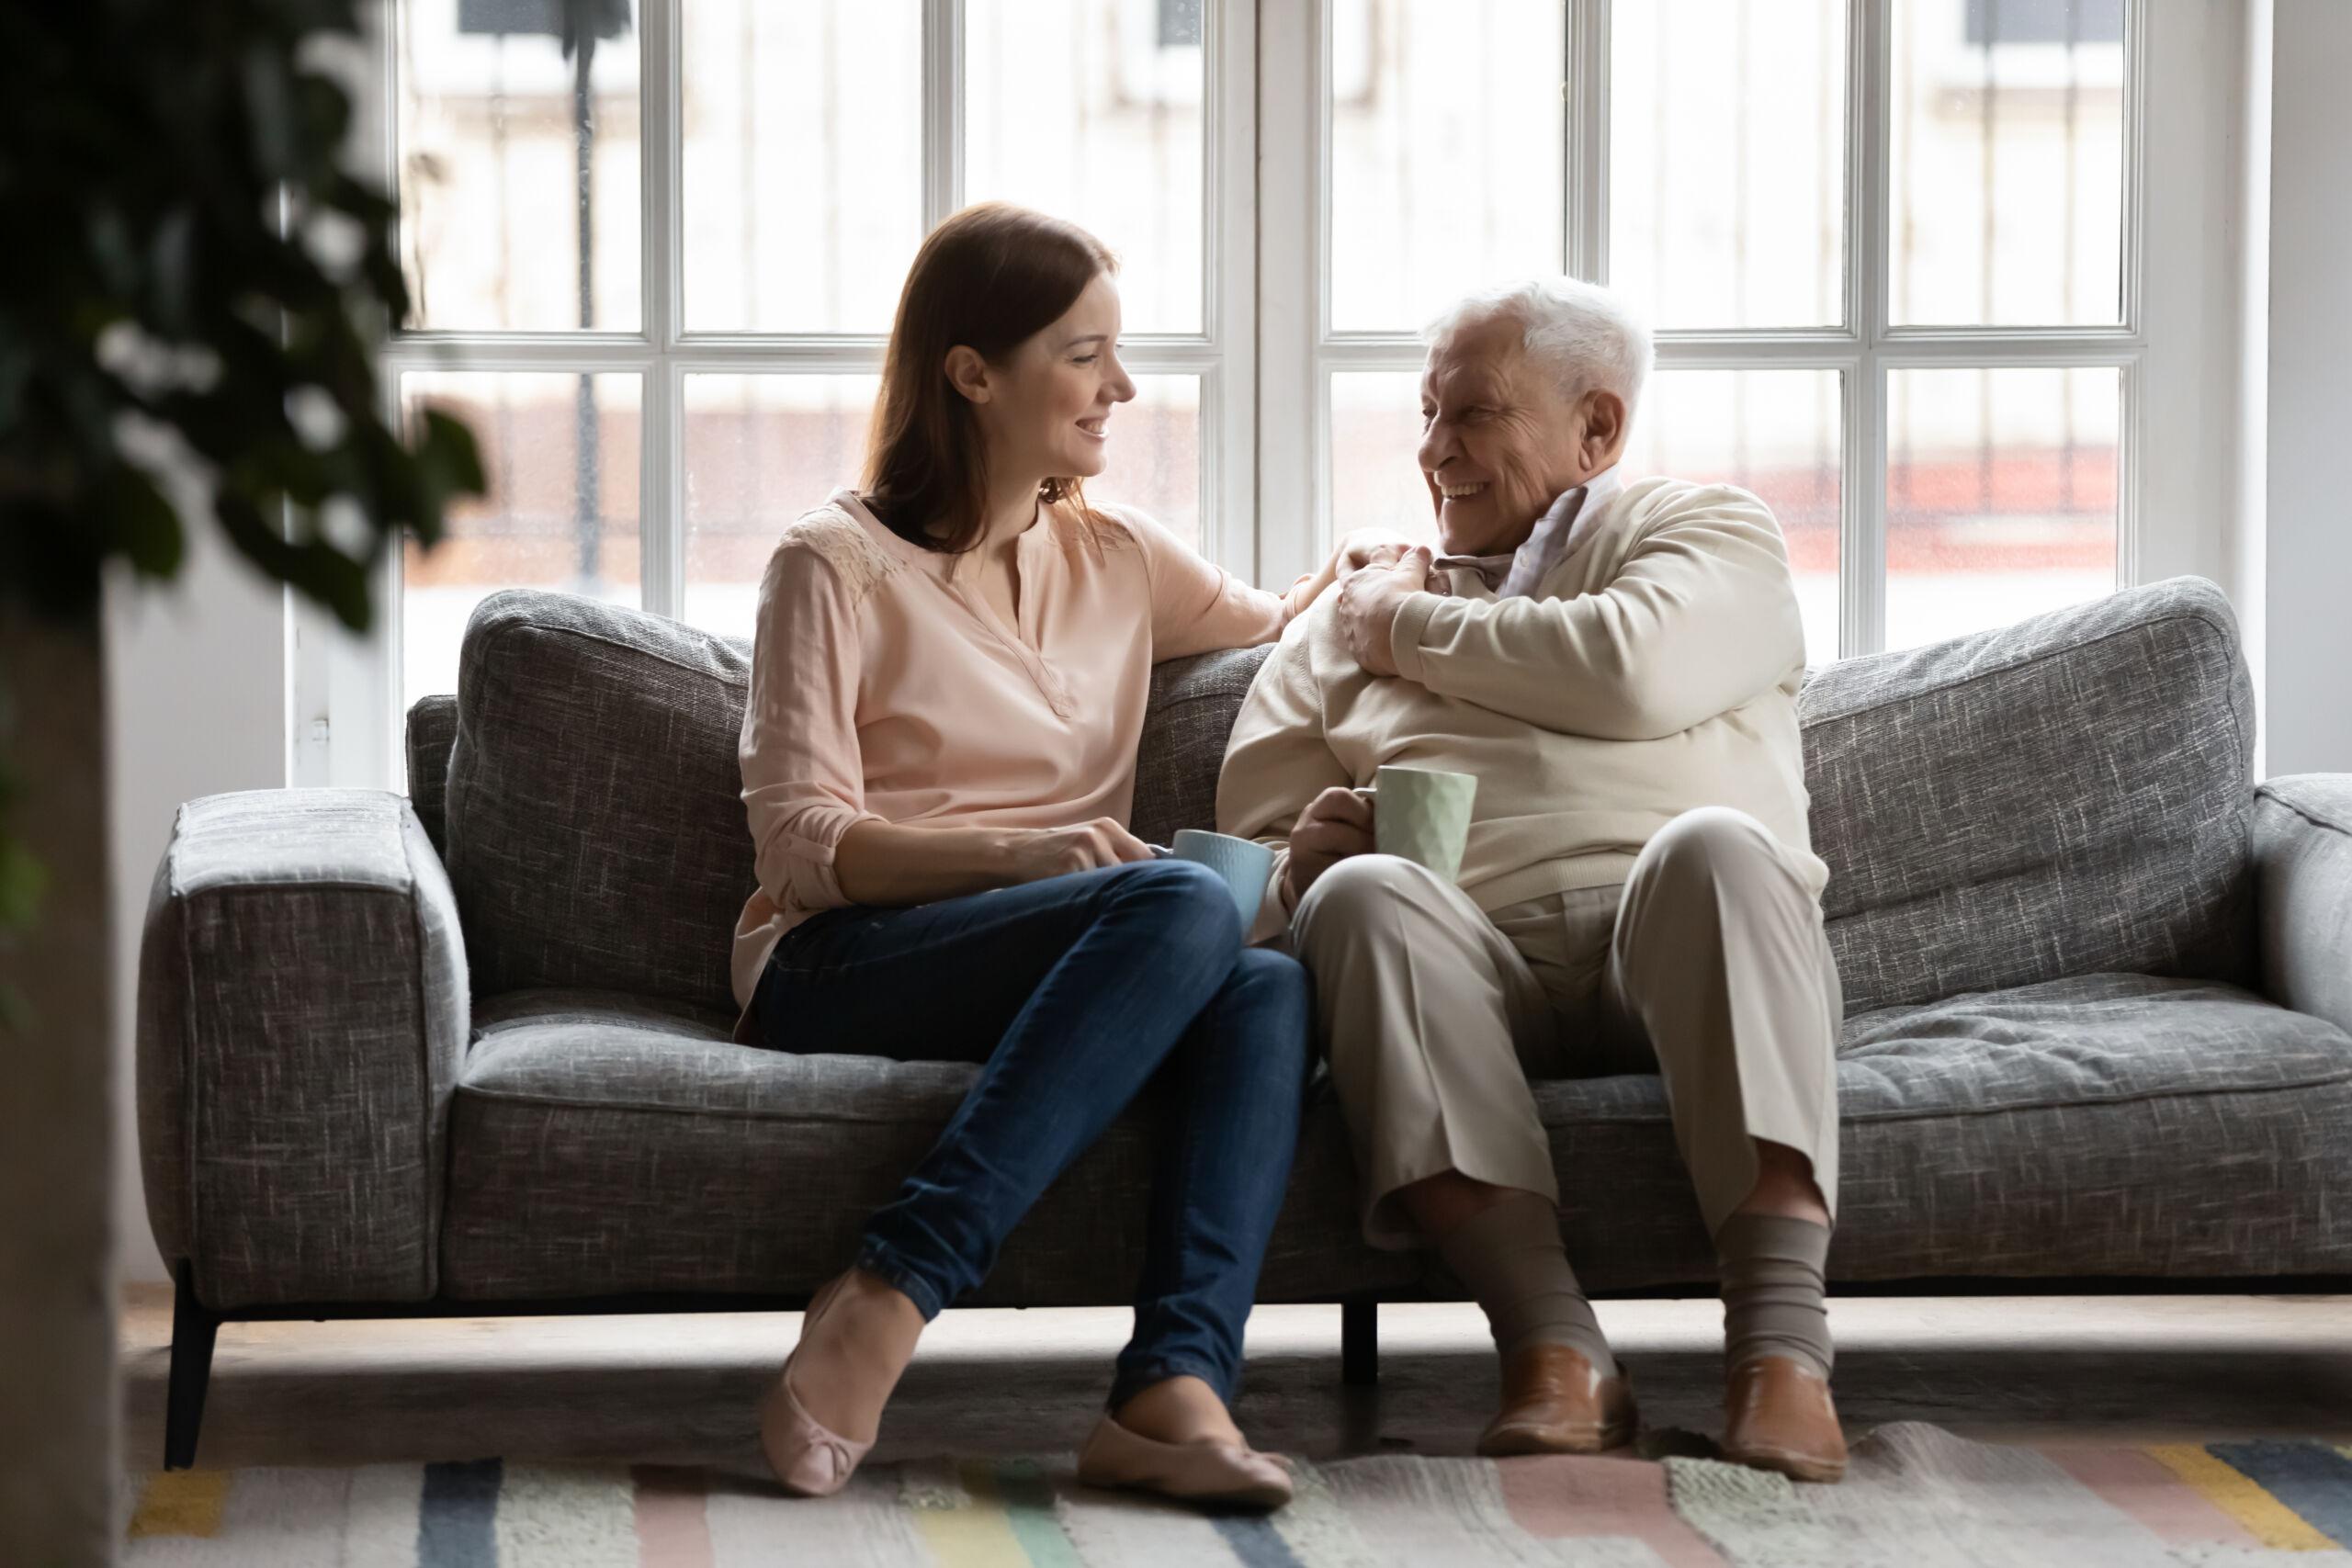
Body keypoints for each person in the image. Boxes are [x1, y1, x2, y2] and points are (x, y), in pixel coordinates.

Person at [731, 202, 1403, 1509]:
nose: (1125, 387)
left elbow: (1285, 624)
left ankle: (1173, 1386)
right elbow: (801, 846)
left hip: (1072, 952)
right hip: (839, 961)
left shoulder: (1120, 558)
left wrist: (1384, 581)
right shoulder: (830, 567)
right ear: (973, 373)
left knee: (1265, 979)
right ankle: (894, 1286)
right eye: (1085, 354)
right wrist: (1023, 857)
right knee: (1174, 909)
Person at [1216, 276, 1849, 1483]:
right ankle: (1554, 1352)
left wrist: (1400, 628)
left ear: (1597, 429)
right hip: (1465, 962)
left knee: (1718, 847)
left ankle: (1782, 1358)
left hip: (1662, 937)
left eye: (1475, 415)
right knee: (1359, 898)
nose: (1435, 450)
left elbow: (1627, 673)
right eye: (1426, 414)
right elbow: (1241, 859)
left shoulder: (1703, 535)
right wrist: (1299, 869)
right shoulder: (1332, 626)